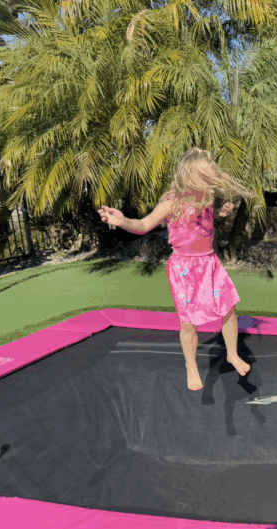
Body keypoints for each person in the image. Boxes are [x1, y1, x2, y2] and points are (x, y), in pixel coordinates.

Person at [98, 147, 252, 391]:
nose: (211, 183)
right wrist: (122, 220)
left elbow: (204, 219)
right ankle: (191, 366)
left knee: (229, 307)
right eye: (206, 178)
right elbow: (144, 224)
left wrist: (219, 213)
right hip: (184, 269)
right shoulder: (172, 203)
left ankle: (232, 354)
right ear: (190, 177)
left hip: (209, 262)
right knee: (188, 322)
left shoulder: (206, 199)